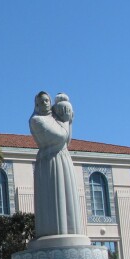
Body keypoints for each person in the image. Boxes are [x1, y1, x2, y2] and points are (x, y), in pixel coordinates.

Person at [29, 91, 83, 238]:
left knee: (68, 196)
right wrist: (66, 119)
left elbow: (67, 141)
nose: (45, 103)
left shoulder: (54, 117)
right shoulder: (36, 120)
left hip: (63, 158)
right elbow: (60, 136)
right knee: (52, 200)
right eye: (42, 101)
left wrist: (69, 119)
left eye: (47, 100)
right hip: (49, 162)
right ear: (36, 104)